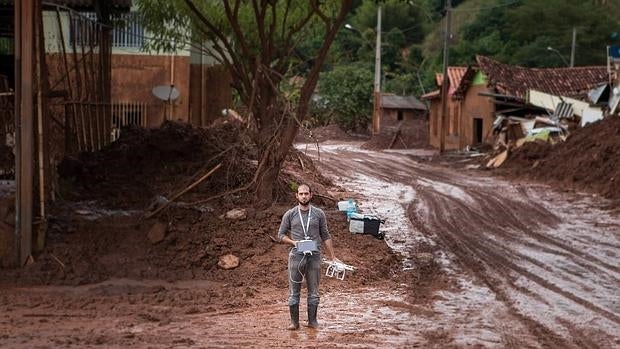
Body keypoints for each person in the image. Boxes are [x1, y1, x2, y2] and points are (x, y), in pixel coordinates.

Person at [278, 184, 336, 330]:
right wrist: (293, 242)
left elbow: (325, 235)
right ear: (296, 196)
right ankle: (294, 322)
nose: (304, 196)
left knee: (314, 291)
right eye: (301, 194)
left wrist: (333, 257)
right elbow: (280, 235)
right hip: (296, 257)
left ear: (311, 195)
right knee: (294, 291)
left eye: (306, 193)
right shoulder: (290, 214)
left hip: (314, 256)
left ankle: (313, 321)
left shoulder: (319, 214)